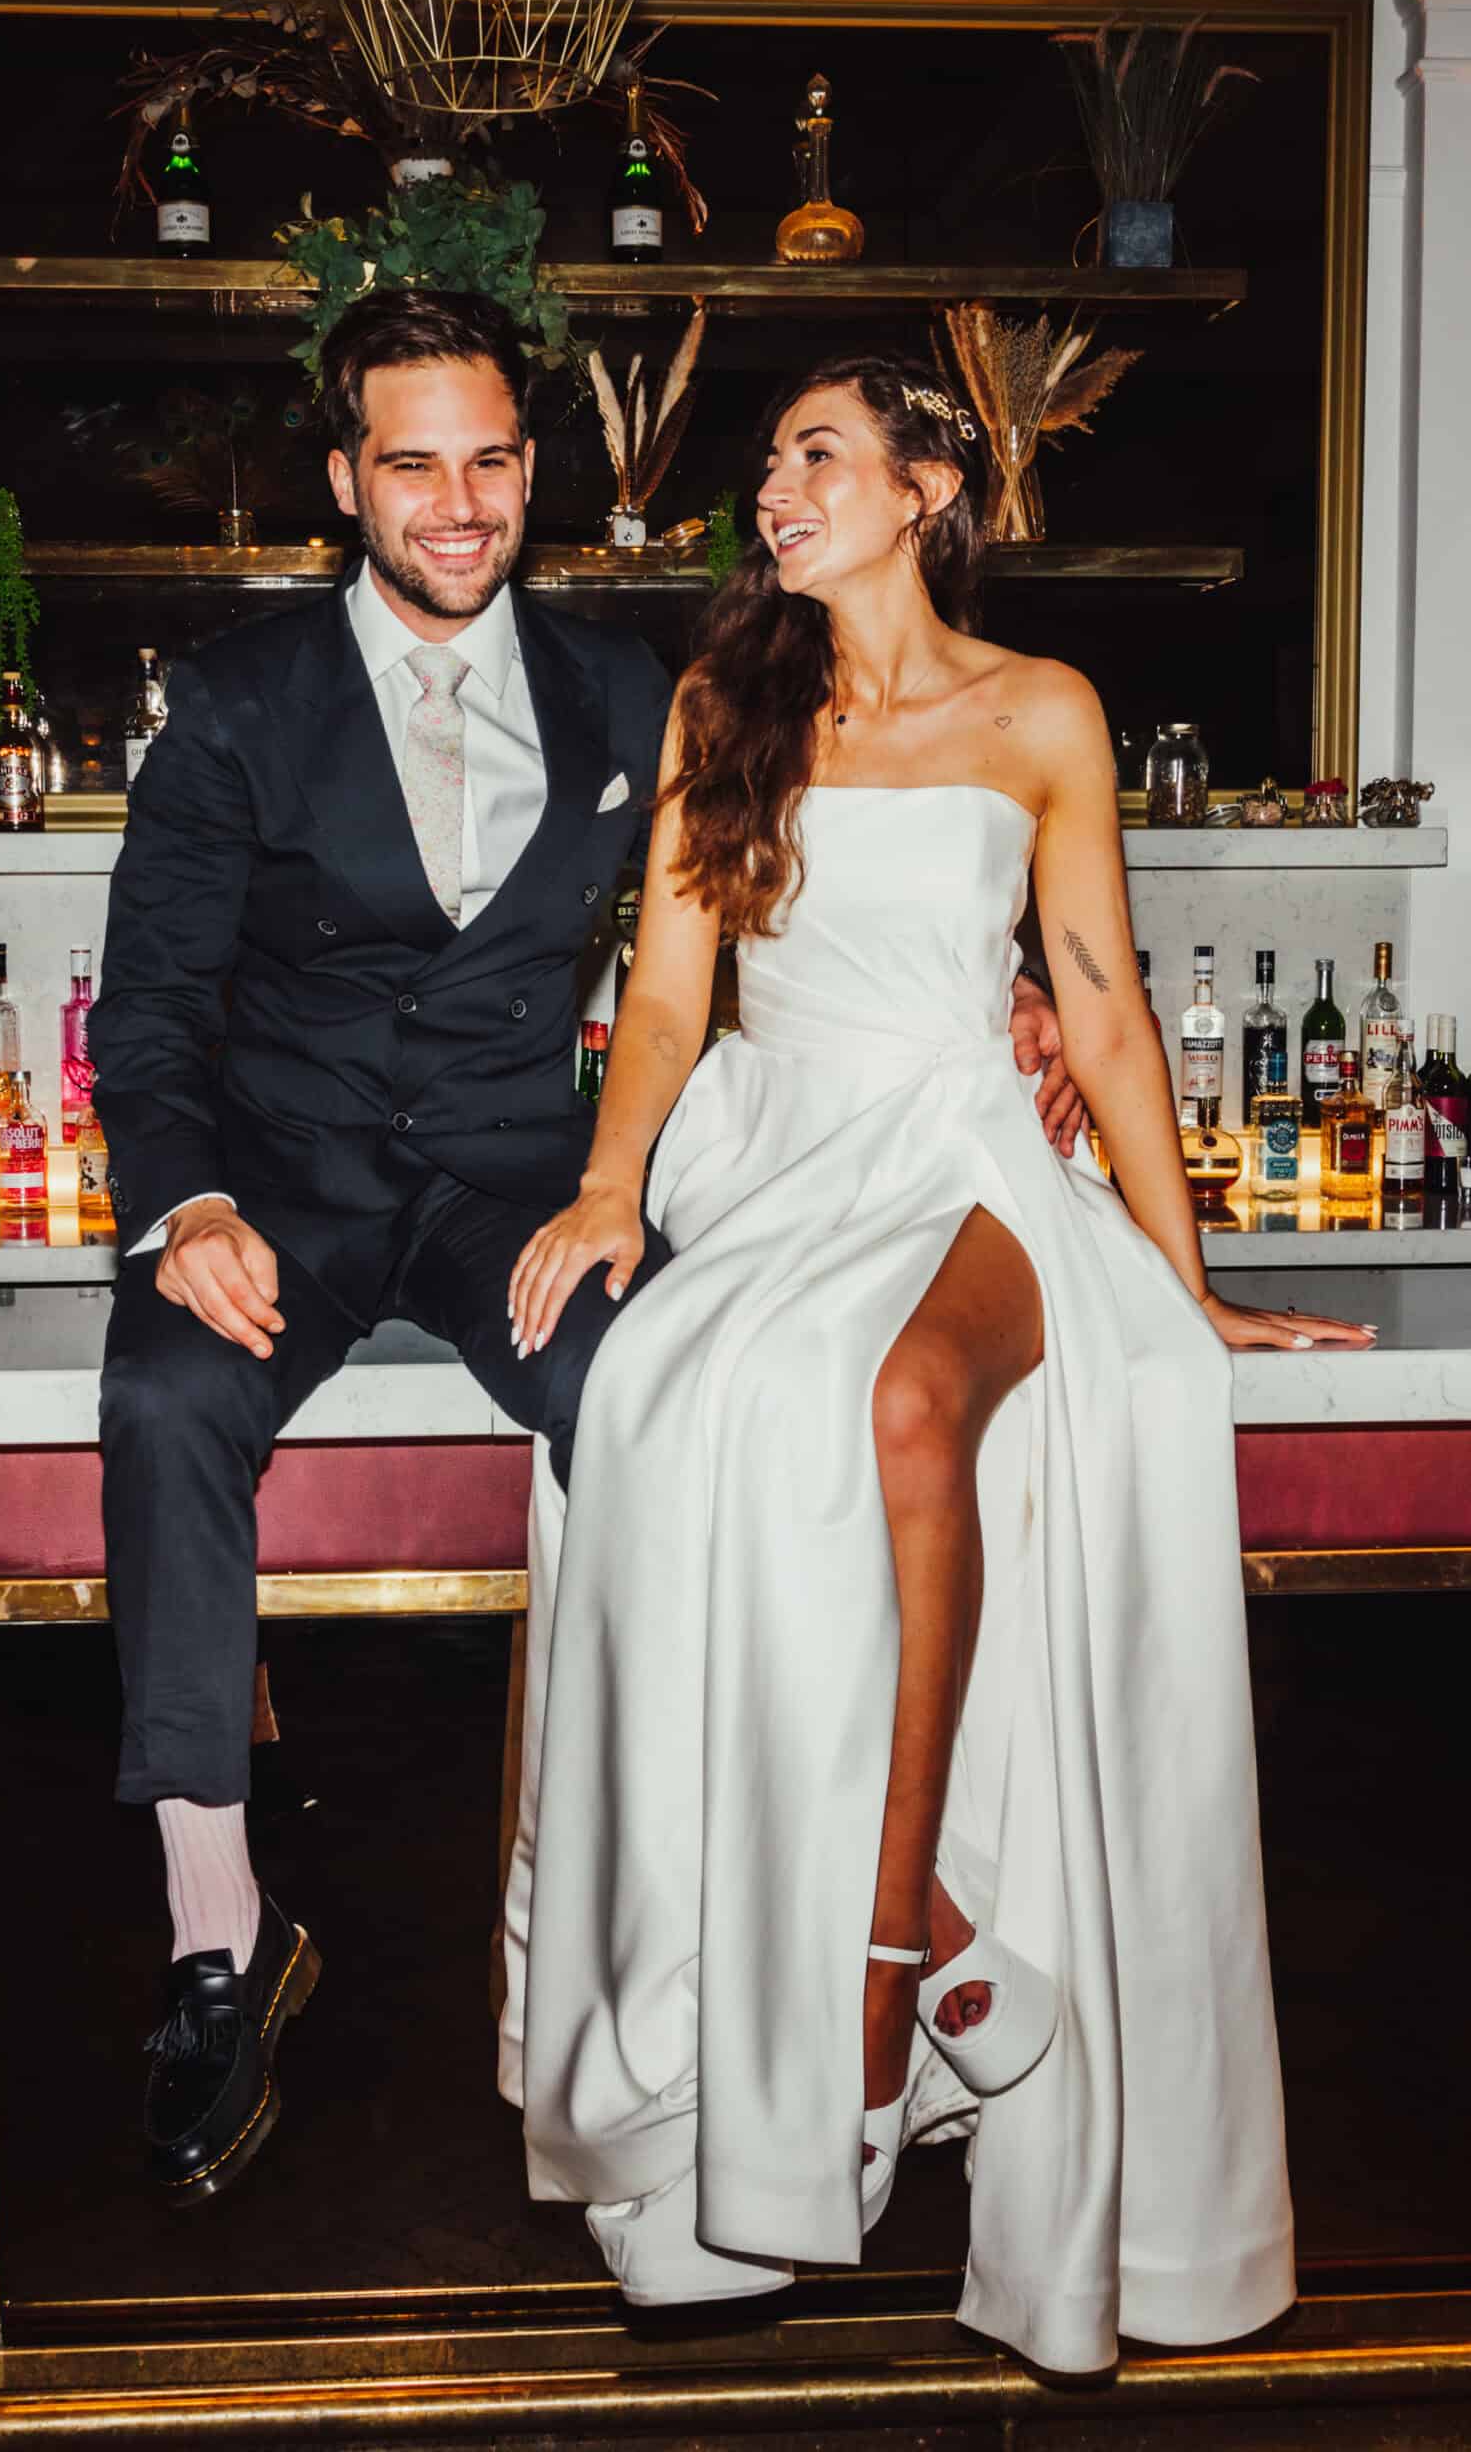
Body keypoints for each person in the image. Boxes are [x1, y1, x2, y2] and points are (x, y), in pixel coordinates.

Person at [91, 292, 1082, 2208]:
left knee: (694, 1405)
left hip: (521, 1194)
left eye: (489, 460)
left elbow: (806, 856)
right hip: (278, 1193)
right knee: (160, 1403)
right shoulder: (233, 702)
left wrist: (1010, 984)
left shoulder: (637, 693)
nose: (457, 502)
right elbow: (149, 1005)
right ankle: (220, 1938)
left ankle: (845, 1882)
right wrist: (188, 1203)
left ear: (532, 471)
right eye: (412, 464)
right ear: (343, 481)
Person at [507, 353, 1374, 2368]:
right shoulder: (727, 707)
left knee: (906, 1401)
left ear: (924, 486)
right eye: (770, 465)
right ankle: (904, 1960)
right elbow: (667, 995)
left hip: (970, 1153)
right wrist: (615, 1184)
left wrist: (1191, 1281)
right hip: (779, 1155)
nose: (776, 488)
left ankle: (891, 1956)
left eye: (816, 454)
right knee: (667, 1408)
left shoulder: (1043, 708)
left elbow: (1103, 1003)